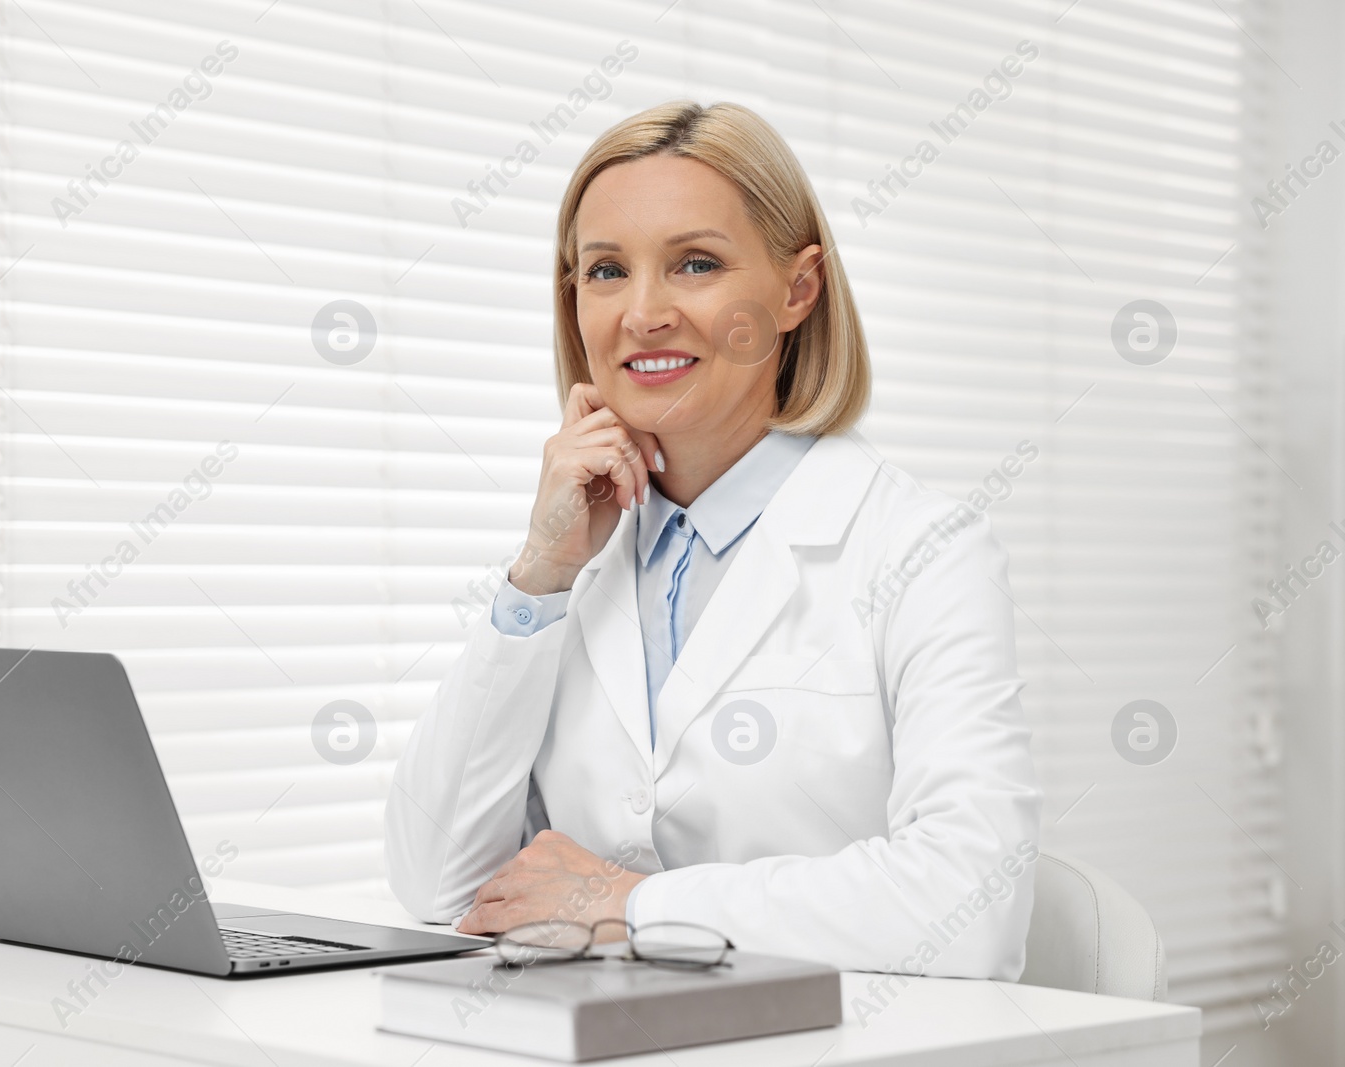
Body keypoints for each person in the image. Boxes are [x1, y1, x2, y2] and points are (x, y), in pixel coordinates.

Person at [384, 100, 1041, 980]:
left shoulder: (923, 549)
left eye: (695, 263)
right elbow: (438, 883)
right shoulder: (577, 559)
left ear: (797, 290)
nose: (644, 313)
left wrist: (632, 903)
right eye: (607, 271)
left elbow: (972, 905)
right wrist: (539, 576)